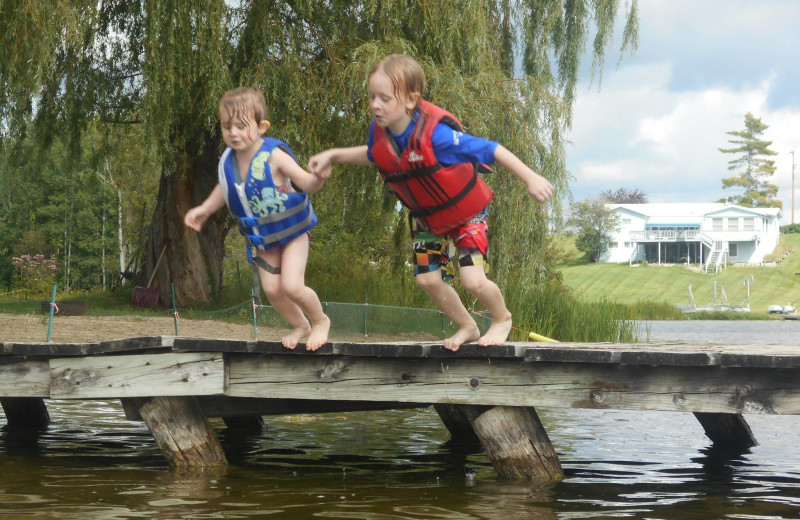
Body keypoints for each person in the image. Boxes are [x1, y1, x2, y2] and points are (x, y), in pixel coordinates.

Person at [308, 54, 553, 351]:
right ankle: (468, 325)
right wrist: (334, 154)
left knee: (472, 280)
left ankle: (501, 318)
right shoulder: (383, 134)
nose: (375, 105)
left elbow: (492, 149)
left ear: (411, 100)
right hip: (429, 219)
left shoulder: (438, 136)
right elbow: (374, 155)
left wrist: (530, 178)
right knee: (426, 279)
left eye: (385, 98)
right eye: (372, 96)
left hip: (467, 214)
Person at [185, 87, 330, 350]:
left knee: (292, 286)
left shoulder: (275, 157)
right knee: (273, 291)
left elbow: (306, 183)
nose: (233, 132)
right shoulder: (227, 162)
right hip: (264, 238)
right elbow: (227, 189)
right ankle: (300, 325)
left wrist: (318, 177)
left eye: (241, 126)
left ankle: (320, 320)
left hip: (292, 231)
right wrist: (205, 210)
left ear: (262, 127)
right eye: (227, 126)